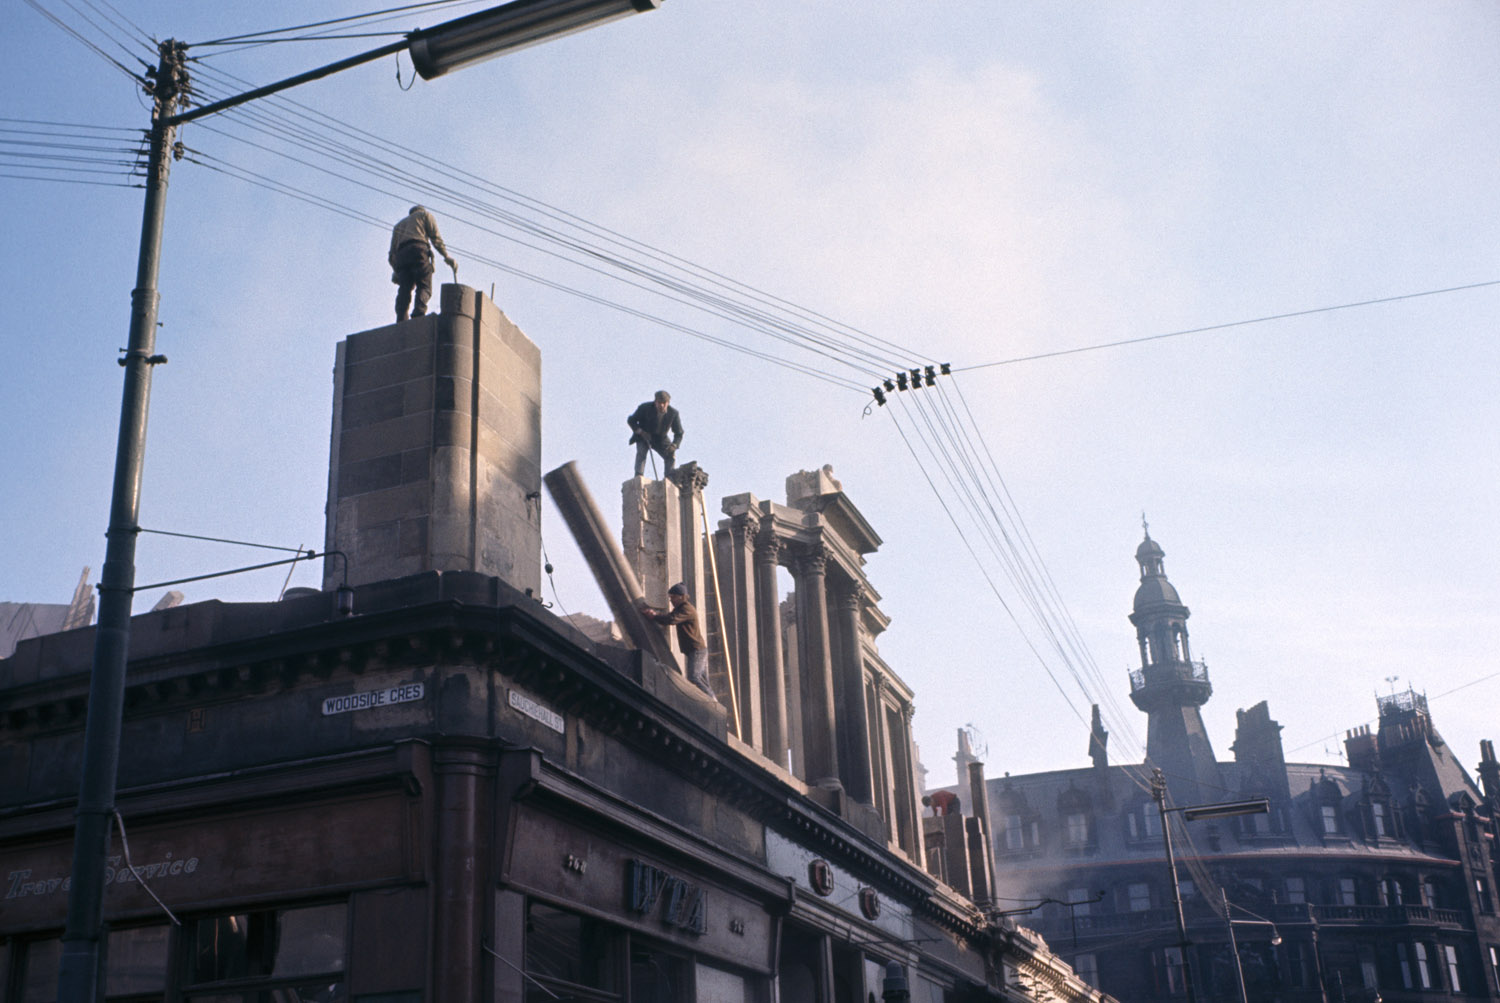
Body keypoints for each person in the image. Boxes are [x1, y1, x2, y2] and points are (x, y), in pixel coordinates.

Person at [640, 583, 713, 697]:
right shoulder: (680, 608)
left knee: (694, 677)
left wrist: (654, 616)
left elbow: (671, 619)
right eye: (670, 597)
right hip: (695, 649)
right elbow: (669, 617)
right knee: (702, 680)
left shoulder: (687, 609)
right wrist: (656, 615)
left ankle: (712, 704)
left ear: (681, 596)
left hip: (697, 650)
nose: (671, 600)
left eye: (673, 597)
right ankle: (712, 702)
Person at [389, 205, 457, 322]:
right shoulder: (424, 215)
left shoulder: (398, 226)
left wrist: (396, 271)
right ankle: (418, 315)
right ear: (421, 210)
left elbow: (391, 255)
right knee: (424, 285)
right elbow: (436, 239)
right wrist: (446, 256)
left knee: (404, 288)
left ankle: (401, 318)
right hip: (418, 250)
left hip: (402, 256)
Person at [627, 390, 683, 477]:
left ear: (668, 403)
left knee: (670, 455)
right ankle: (639, 475)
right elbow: (631, 420)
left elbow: (679, 433)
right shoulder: (644, 408)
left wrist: (674, 445)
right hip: (644, 436)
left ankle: (669, 478)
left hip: (661, 439)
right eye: (659, 402)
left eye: (664, 403)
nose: (661, 405)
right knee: (641, 453)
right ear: (655, 402)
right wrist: (640, 431)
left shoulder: (673, 414)